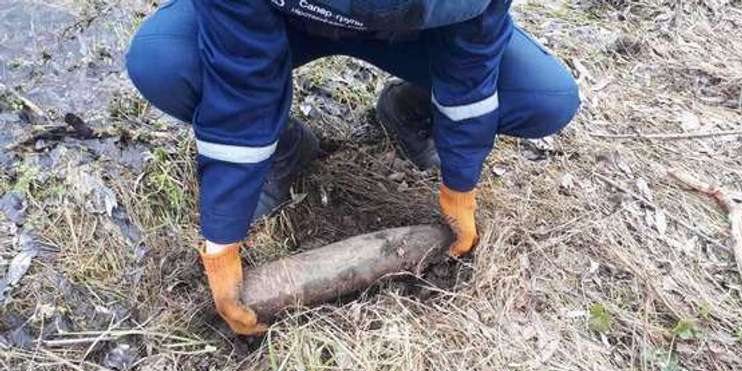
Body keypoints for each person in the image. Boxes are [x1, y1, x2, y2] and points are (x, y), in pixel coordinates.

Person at [126, 0, 580, 335]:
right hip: (286, 20)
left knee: (542, 99)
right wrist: (222, 239)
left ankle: (413, 111)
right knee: (166, 62)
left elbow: (474, 69)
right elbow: (240, 83)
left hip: (415, 33)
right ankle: (280, 148)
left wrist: (459, 185)